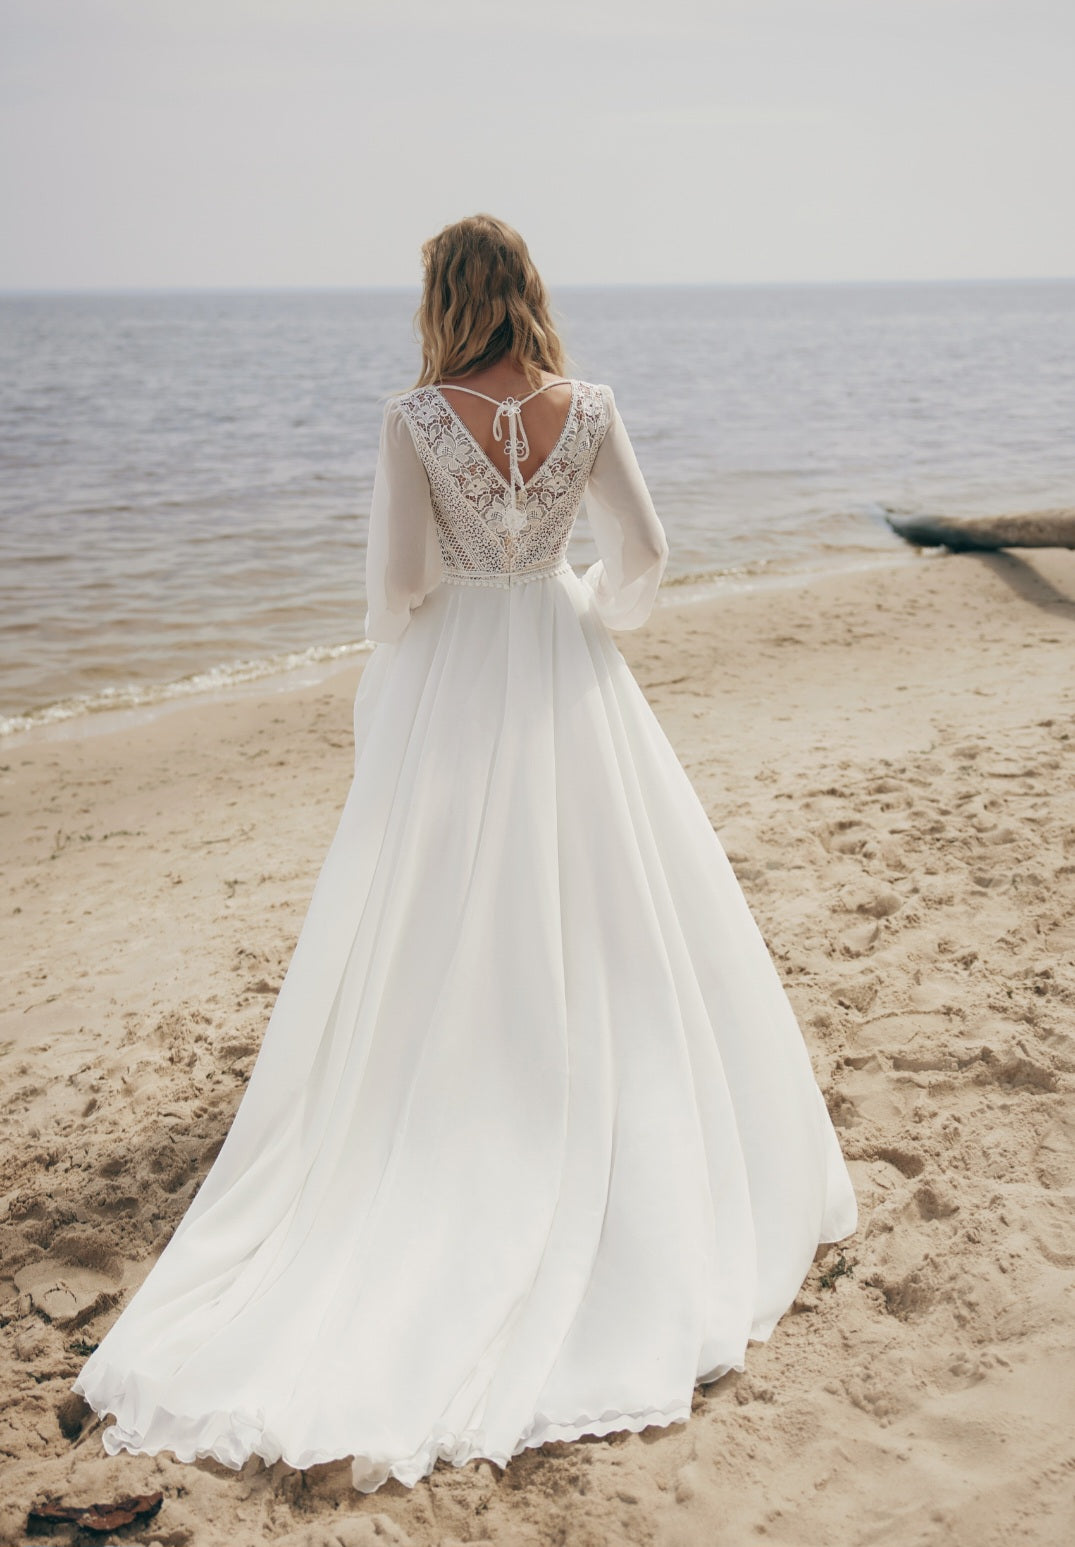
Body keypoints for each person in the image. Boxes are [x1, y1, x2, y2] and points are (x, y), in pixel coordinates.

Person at [73, 213, 857, 1494]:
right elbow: (647, 556)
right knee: (605, 903)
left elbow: (393, 590)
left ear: (442, 295)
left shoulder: (412, 419)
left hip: (459, 677)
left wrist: (425, 633)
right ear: (530, 289)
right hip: (561, 664)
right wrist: (586, 614)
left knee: (433, 903)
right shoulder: (587, 406)